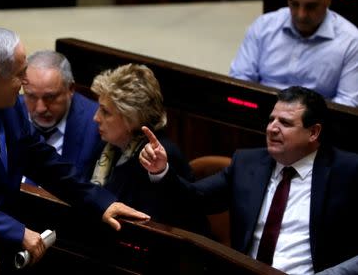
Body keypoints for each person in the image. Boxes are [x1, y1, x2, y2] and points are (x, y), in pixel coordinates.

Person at [0, 26, 149, 274]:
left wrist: (99, 201)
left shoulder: (5, 104)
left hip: (4, 243)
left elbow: (41, 159)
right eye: (19, 74)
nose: (25, 82)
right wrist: (16, 231)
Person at [140, 86, 358, 274]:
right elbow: (193, 199)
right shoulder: (247, 164)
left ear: (314, 132)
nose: (272, 128)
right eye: (271, 119)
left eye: (285, 123)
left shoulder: (347, 171)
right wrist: (161, 171)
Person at [88, 63, 208, 235]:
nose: (96, 118)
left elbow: (154, 226)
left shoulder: (158, 156)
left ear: (131, 118)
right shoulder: (107, 147)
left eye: (105, 112)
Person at [229, 0, 358, 107]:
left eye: (311, 6)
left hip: (314, 123)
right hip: (261, 112)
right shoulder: (264, 26)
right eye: (294, 4)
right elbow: (240, 78)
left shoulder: (351, 41)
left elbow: (347, 103)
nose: (301, 15)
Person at [21, 50, 101, 177]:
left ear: (70, 89)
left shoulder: (96, 123)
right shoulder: (8, 111)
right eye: (31, 96)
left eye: (50, 97)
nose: (40, 108)